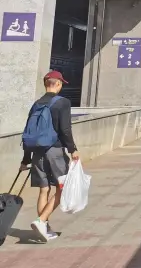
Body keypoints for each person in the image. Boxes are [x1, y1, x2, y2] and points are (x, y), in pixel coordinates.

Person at [19, 70, 79, 242]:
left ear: (46, 83)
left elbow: (29, 131)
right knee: (63, 187)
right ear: (58, 84)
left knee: (44, 188)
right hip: (55, 149)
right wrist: (72, 149)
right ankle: (41, 220)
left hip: (37, 151)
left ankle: (44, 228)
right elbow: (65, 129)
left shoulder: (36, 104)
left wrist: (26, 159)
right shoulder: (63, 102)